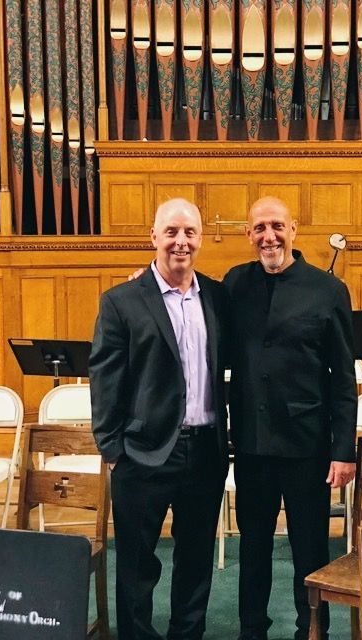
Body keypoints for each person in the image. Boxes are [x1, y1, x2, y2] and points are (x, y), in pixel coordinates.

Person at [89, 198, 229, 640]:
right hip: (142, 454)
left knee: (195, 561)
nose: (180, 242)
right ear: (153, 237)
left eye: (189, 233)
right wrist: (113, 450)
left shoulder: (219, 297)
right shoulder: (122, 301)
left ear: (201, 240)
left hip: (205, 450)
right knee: (136, 564)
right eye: (171, 232)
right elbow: (104, 380)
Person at [223, 197, 357, 640]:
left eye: (277, 226)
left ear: (294, 230)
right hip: (251, 445)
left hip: (309, 448)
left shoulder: (327, 289)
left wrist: (343, 451)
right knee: (254, 550)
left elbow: (342, 379)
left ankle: (312, 630)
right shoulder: (234, 284)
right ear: (248, 235)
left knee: (311, 551)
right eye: (259, 227)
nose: (269, 236)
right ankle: (251, 630)